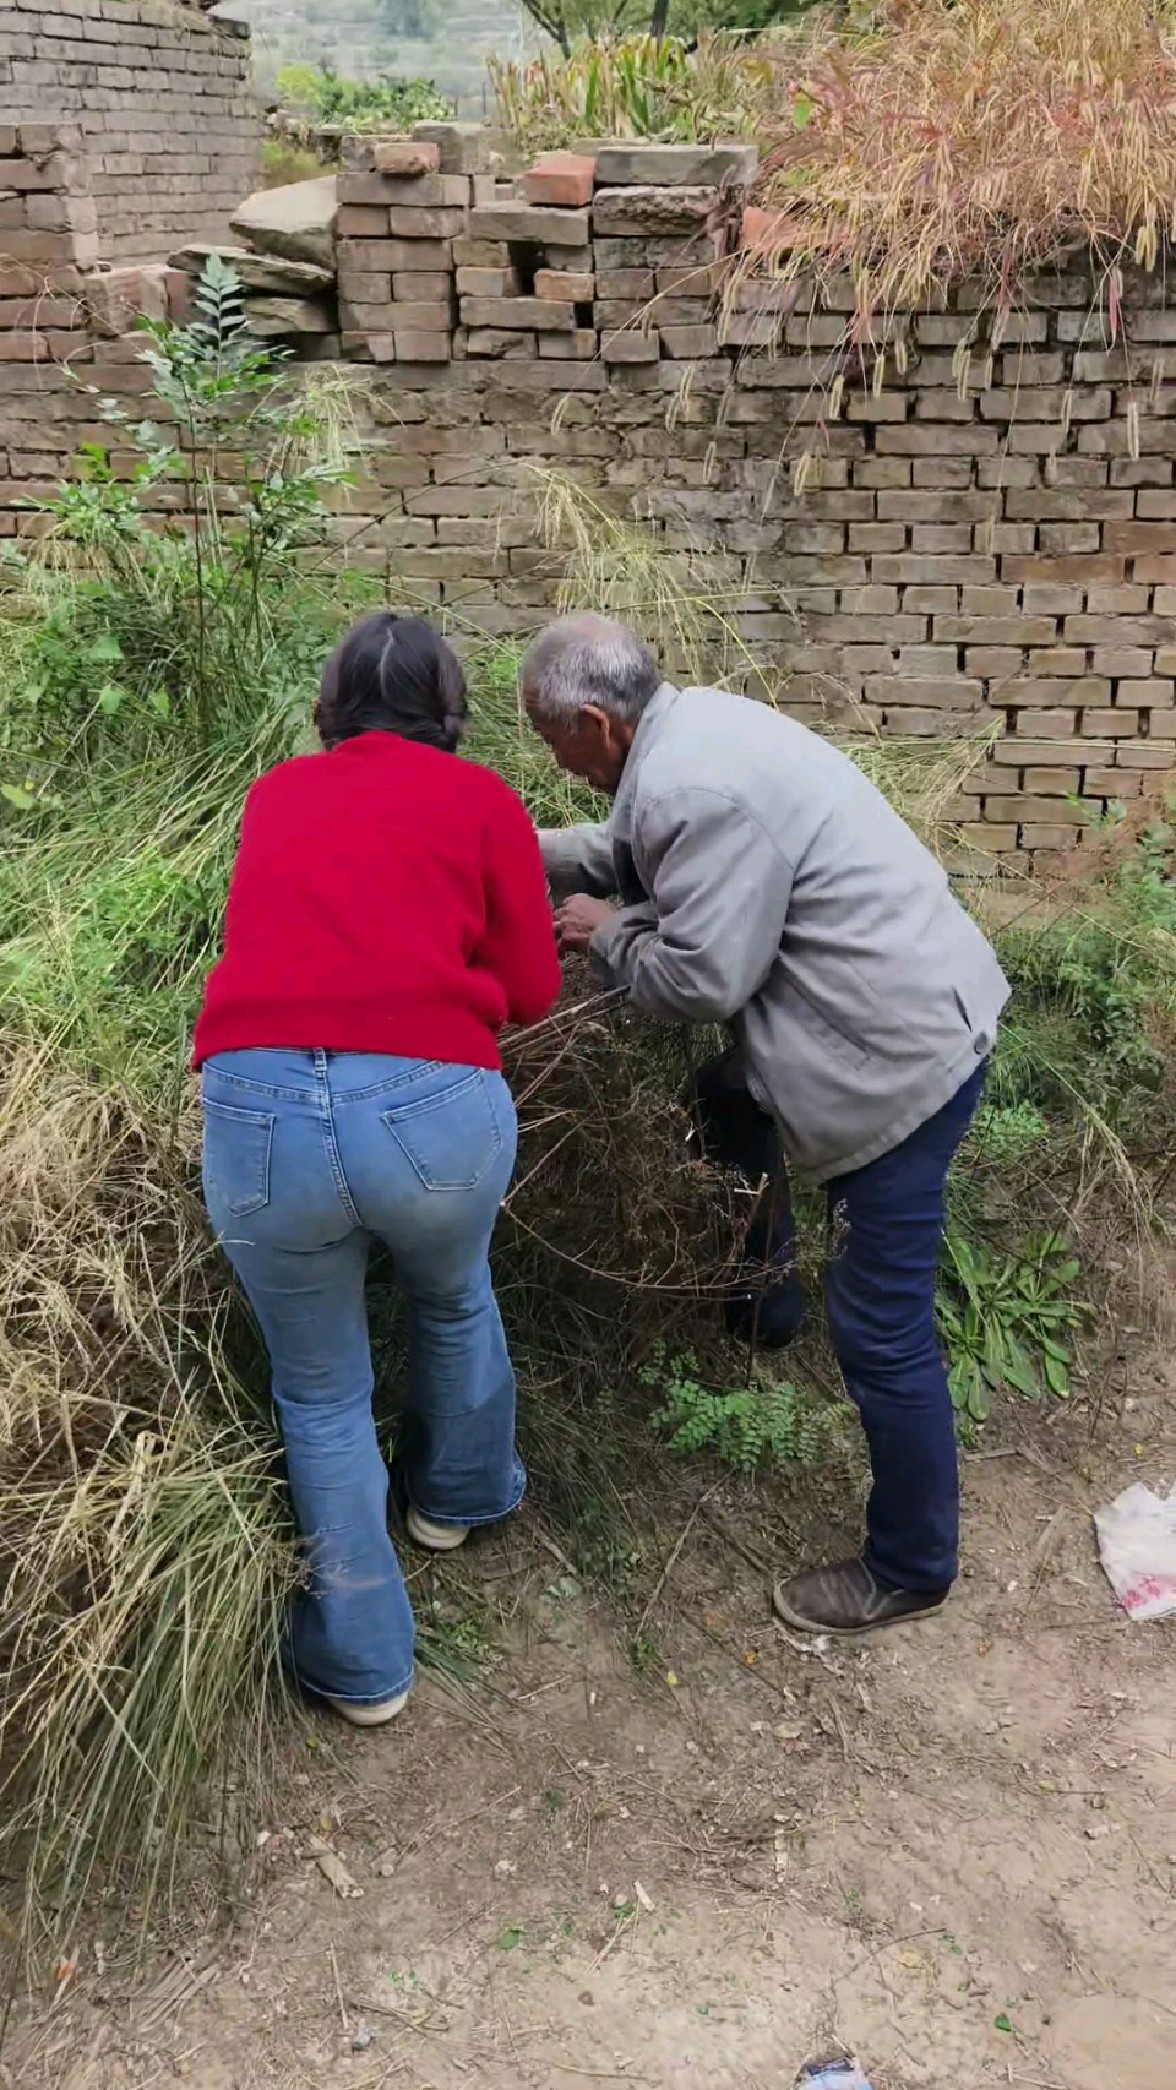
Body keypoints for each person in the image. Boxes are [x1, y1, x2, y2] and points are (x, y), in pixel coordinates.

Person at [523, 613, 1010, 1638]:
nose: (546, 756)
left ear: (595, 723)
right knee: (725, 1097)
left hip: (897, 1063)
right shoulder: (689, 730)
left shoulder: (689, 786)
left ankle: (911, 1563)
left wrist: (609, 937)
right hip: (908, 999)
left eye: (547, 736)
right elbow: (632, 852)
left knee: (879, 1324)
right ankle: (761, 1303)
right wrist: (516, 854)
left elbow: (701, 979)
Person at [194, 613, 561, 1725]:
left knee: (317, 1394)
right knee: (451, 1295)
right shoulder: (485, 801)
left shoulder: (275, 794)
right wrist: (451, 1001)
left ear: (332, 703)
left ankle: (362, 1667)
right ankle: (454, 1499)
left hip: (257, 1107)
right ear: (451, 705)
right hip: (431, 1107)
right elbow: (534, 987)